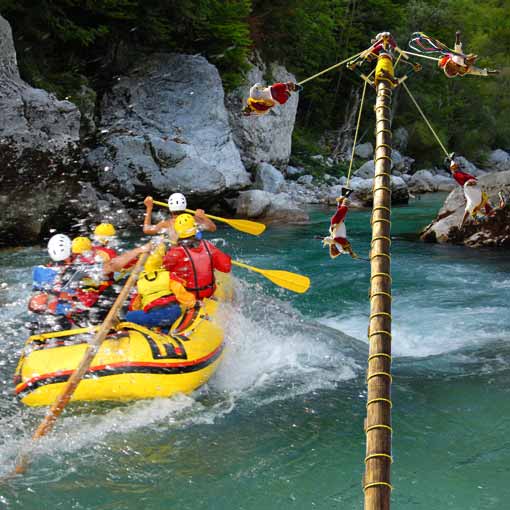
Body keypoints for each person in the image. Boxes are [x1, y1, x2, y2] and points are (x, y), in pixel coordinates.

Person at [162, 214, 232, 300]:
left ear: (177, 232)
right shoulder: (208, 245)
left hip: (188, 296)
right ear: (195, 230)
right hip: (209, 293)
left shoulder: (175, 253)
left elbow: (162, 269)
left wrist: (172, 245)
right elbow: (226, 267)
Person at [124, 246, 196, 329]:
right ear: (160, 261)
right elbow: (181, 293)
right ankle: (165, 329)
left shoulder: (139, 283)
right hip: (173, 312)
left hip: (155, 314)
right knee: (163, 320)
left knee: (129, 316)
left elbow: (134, 305)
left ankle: (157, 330)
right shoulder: (168, 275)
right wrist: (193, 304)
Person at [449, 158, 504, 227]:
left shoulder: (475, 206)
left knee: (459, 176)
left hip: (472, 186)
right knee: (459, 176)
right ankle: (452, 162)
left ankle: (452, 161)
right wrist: (500, 196)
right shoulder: (477, 206)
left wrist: (462, 224)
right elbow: (497, 207)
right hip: (471, 186)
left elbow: (468, 213)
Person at [143, 193, 216, 236]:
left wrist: (149, 208)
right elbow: (213, 228)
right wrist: (203, 217)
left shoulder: (167, 224)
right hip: (193, 251)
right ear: (185, 206)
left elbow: (146, 230)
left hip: (177, 252)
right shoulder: (194, 219)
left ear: (170, 208)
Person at [321, 191, 358, 259]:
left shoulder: (338, 243)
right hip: (337, 223)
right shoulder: (339, 245)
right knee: (341, 209)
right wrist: (324, 239)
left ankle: (345, 195)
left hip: (336, 223)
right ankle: (343, 194)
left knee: (343, 209)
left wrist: (352, 254)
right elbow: (331, 241)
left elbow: (332, 241)